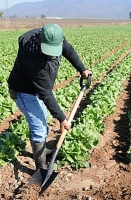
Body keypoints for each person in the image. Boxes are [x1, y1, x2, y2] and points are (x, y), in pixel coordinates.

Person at [7, 23, 92, 170]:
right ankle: (41, 168)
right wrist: (62, 118)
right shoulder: (33, 58)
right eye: (49, 51)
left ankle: (43, 150)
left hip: (35, 89)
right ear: (40, 40)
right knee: (39, 128)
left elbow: (69, 51)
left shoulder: (55, 37)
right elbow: (45, 92)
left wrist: (82, 69)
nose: (52, 55)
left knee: (43, 121)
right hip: (23, 91)